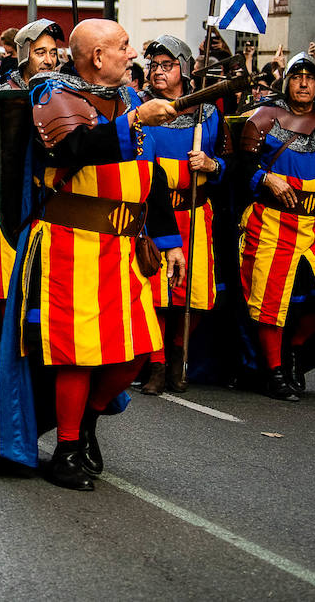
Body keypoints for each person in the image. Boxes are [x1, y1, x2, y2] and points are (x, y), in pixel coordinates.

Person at [0, 18, 185, 491]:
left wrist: (169, 239)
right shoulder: (52, 95)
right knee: (75, 356)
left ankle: (87, 423)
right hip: (71, 243)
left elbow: (153, 176)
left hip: (125, 249)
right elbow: (72, 148)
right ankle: (66, 450)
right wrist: (136, 122)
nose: (132, 54)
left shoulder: (130, 99)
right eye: (123, 47)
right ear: (98, 57)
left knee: (139, 351)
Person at [239, 54, 315, 401]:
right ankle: (274, 372)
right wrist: (266, 177)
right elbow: (241, 166)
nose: (304, 83)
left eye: (310, 77)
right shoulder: (263, 117)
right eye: (297, 76)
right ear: (286, 81)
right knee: (270, 301)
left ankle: (293, 351)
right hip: (273, 220)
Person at [136, 35, 225, 394]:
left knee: (196, 296)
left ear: (184, 70)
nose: (158, 71)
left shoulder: (208, 113)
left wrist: (211, 163)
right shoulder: (139, 108)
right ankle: (156, 364)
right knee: (155, 294)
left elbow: (228, 164)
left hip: (195, 212)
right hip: (153, 216)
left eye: (167, 65)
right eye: (154, 65)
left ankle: (177, 355)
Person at [0, 20, 64, 309]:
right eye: (40, 52)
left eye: (53, 53)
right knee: (4, 277)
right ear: (24, 54)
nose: (49, 60)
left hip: (50, 199)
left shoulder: (64, 95)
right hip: (6, 199)